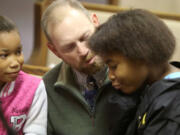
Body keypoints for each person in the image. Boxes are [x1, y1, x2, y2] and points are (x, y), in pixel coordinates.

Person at [41, 0, 139, 135]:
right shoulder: (44, 90)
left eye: (84, 37)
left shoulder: (135, 70)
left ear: (95, 22)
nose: (82, 51)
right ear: (54, 51)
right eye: (69, 47)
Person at [88, 9, 180, 135]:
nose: (110, 76)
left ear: (141, 56)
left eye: (114, 66)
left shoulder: (171, 108)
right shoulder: (151, 88)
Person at [0, 15, 47, 135]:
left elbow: (36, 131)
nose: (15, 63)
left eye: (18, 52)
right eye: (4, 55)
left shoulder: (34, 88)